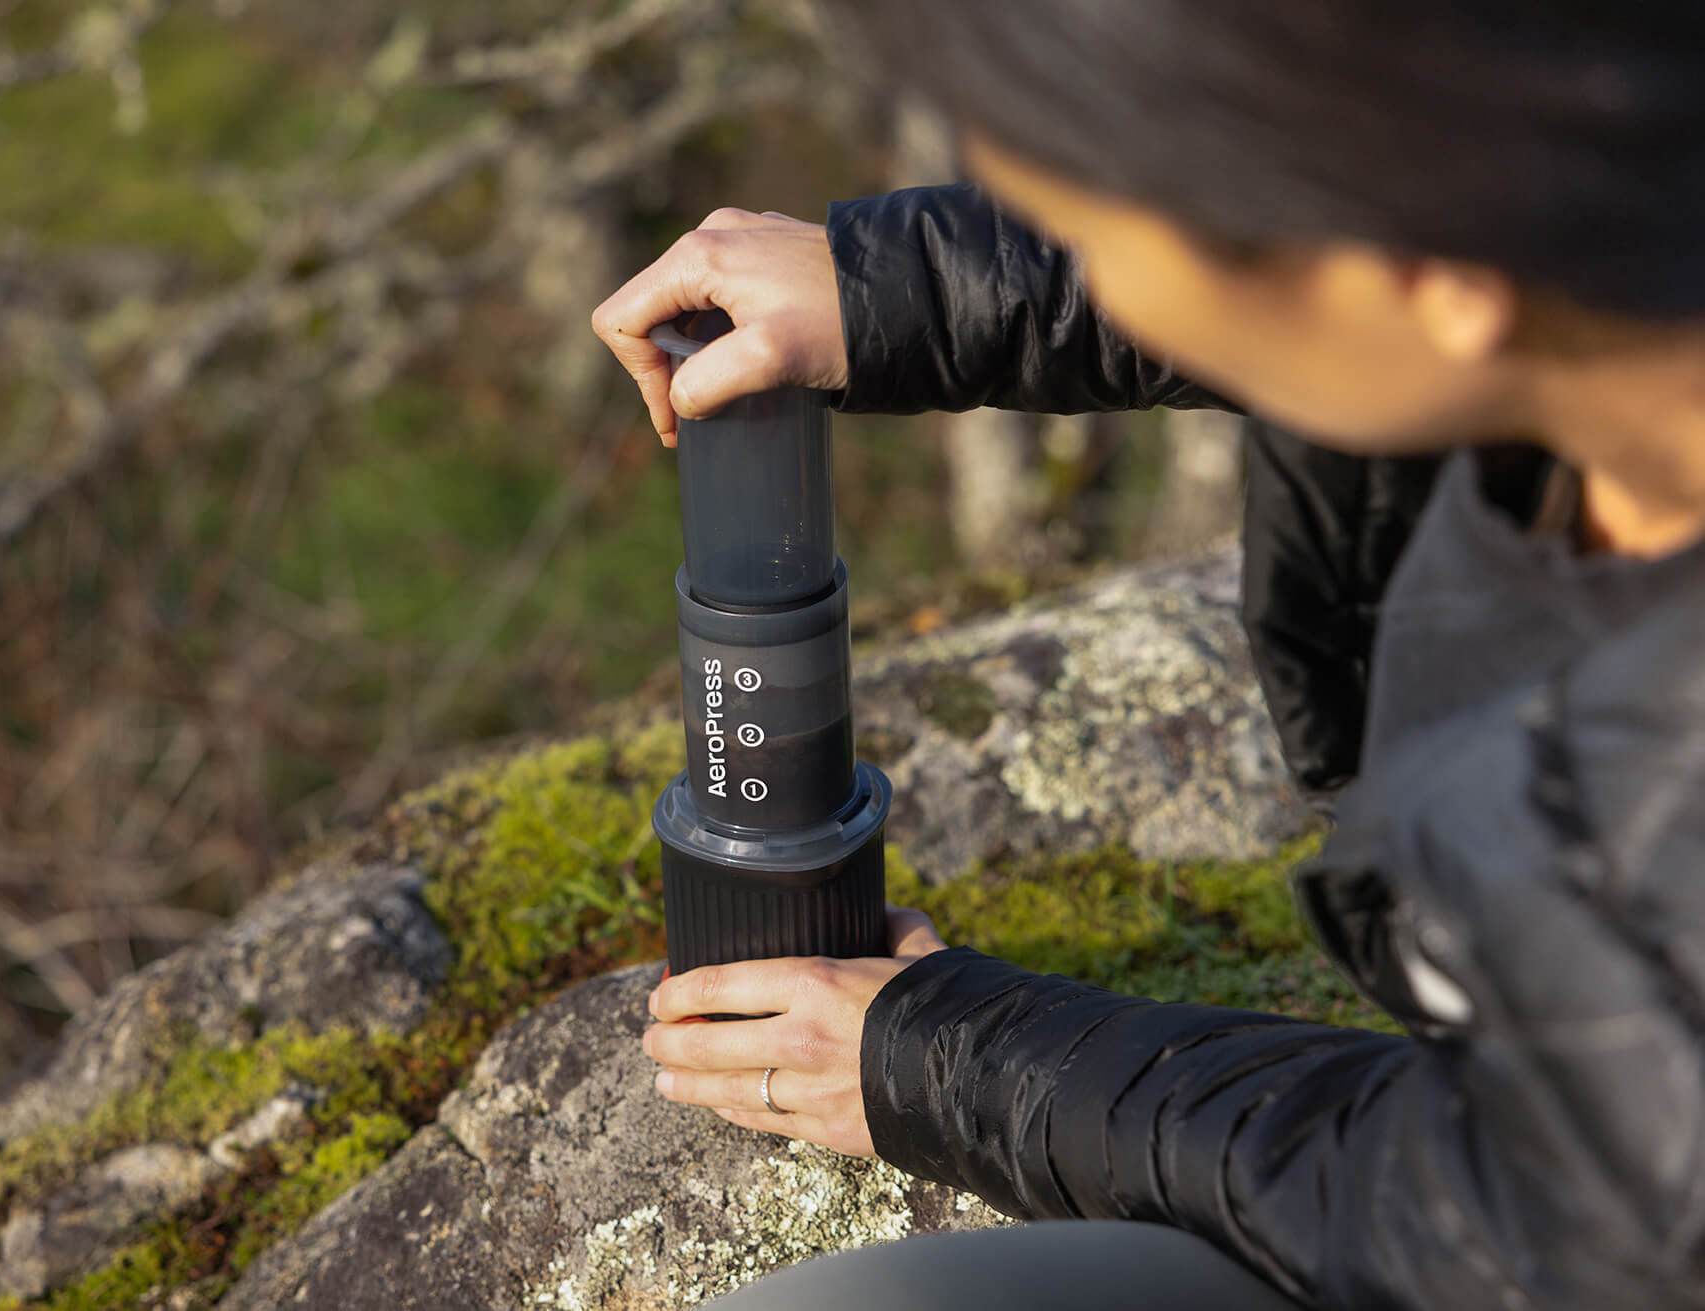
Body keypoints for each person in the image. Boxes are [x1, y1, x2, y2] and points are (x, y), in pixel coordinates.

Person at [591, 3, 1705, 1308]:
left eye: (1106, 225)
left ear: (1429, 268)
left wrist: (952, 1064)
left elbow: (1507, 1225)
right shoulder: (1598, 234)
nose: (1093, 262)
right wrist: (897, 286)